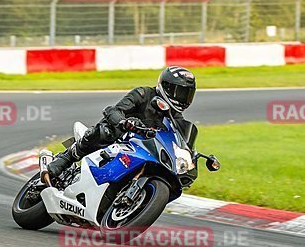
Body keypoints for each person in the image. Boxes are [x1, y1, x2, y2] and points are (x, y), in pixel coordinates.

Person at [44, 66, 197, 183]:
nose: (184, 98)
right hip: (118, 137)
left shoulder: (175, 116)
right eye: (180, 92)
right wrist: (124, 122)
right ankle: (66, 158)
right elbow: (112, 110)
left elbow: (179, 139)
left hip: (140, 149)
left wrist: (191, 156)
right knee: (106, 131)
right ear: (167, 87)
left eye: (187, 94)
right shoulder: (143, 94)